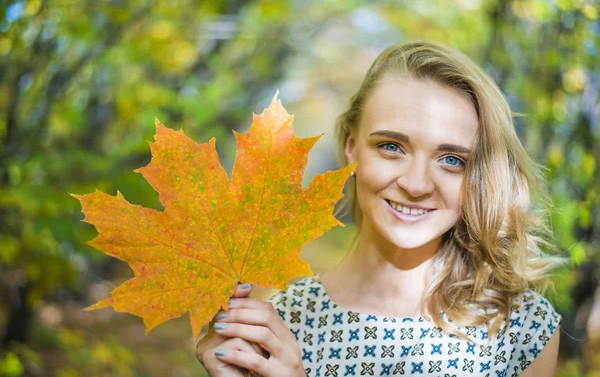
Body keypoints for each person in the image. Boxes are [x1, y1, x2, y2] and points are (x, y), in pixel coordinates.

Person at [195, 40, 563, 377]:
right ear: (352, 147)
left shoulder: (520, 329)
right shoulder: (280, 325)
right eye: (391, 146)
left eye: (452, 159)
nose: (416, 184)